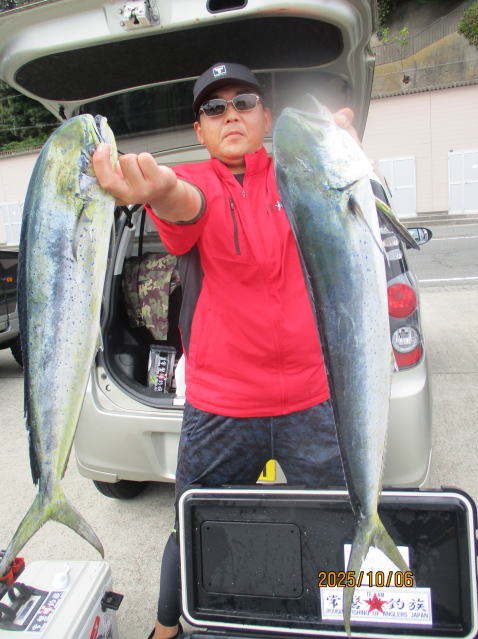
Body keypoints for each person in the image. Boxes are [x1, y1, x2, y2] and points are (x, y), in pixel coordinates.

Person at [93, 62, 359, 639]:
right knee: (193, 524)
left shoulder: (302, 171)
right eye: (214, 108)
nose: (230, 115)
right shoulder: (194, 182)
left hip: (313, 401)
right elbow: (180, 200)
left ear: (266, 116)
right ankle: (167, 627)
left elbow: (348, 201)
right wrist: (158, 189)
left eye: (243, 102)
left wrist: (340, 146)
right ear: (200, 129)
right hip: (221, 408)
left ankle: (338, 620)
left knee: (338, 524)